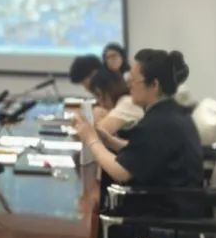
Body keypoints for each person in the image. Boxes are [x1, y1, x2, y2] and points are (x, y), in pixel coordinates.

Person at [74, 49, 203, 215]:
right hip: (170, 206)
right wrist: (110, 141)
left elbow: (120, 172)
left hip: (163, 218)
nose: (129, 86)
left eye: (134, 81)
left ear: (154, 85)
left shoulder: (159, 123)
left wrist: (92, 139)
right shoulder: (170, 113)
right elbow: (148, 152)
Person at [88, 68, 143, 134]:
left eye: (99, 95)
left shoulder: (128, 103)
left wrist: (95, 117)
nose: (100, 102)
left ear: (111, 88)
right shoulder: (123, 102)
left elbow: (96, 134)